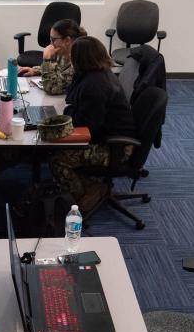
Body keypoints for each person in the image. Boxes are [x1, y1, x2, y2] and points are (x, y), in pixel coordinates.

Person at [48, 36, 136, 213]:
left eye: (73, 56)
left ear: (79, 59)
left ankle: (85, 195)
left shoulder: (95, 85)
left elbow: (87, 127)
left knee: (57, 159)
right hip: (106, 136)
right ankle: (92, 183)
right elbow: (71, 98)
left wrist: (66, 115)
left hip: (115, 147)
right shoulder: (93, 74)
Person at [17, 18, 84, 95]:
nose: (51, 44)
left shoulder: (77, 61)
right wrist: (35, 70)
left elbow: (52, 88)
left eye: (53, 40)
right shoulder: (62, 53)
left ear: (67, 41)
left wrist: (47, 59)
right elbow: (56, 69)